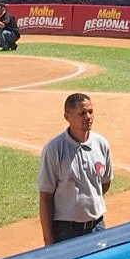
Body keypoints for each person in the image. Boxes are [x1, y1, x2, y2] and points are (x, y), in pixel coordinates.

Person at [37, 93, 113, 245]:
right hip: (66, 230)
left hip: (97, 226)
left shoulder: (101, 144)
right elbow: (46, 197)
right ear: (67, 117)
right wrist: (48, 240)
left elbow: (104, 183)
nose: (88, 117)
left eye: (90, 112)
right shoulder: (54, 149)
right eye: (82, 113)